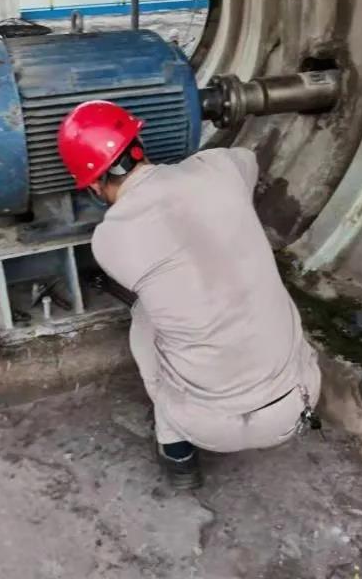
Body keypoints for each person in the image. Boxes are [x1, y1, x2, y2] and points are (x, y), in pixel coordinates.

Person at [58, 100, 322, 490]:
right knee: (255, 291)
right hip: (296, 406)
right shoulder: (218, 168)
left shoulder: (109, 240)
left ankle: (177, 453)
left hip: (206, 427)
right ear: (138, 144)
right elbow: (248, 159)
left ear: (94, 185)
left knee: (146, 317)